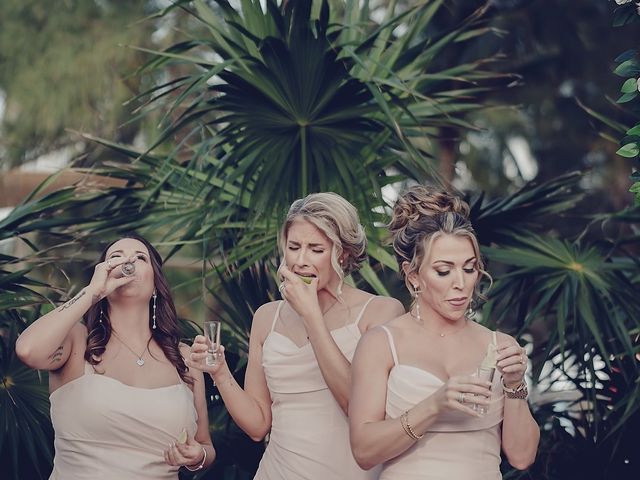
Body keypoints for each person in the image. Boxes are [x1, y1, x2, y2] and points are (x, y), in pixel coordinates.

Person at [187, 192, 405, 480]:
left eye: (315, 249)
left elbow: (358, 409)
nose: (300, 260)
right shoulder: (267, 317)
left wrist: (312, 317)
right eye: (293, 247)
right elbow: (257, 426)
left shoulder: (381, 313)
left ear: (342, 252)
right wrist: (220, 373)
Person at [349, 186, 540, 479]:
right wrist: (433, 406)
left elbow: (522, 457)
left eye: (469, 268)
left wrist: (515, 384)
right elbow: (364, 452)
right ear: (414, 276)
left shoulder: (500, 345)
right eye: (443, 270)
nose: (461, 283)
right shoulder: (382, 343)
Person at [16, 233, 215, 479]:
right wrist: (92, 292)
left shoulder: (184, 358)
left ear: (156, 285)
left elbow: (205, 445)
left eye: (140, 257)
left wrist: (198, 457)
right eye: (115, 257)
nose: (126, 262)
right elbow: (28, 350)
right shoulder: (77, 341)